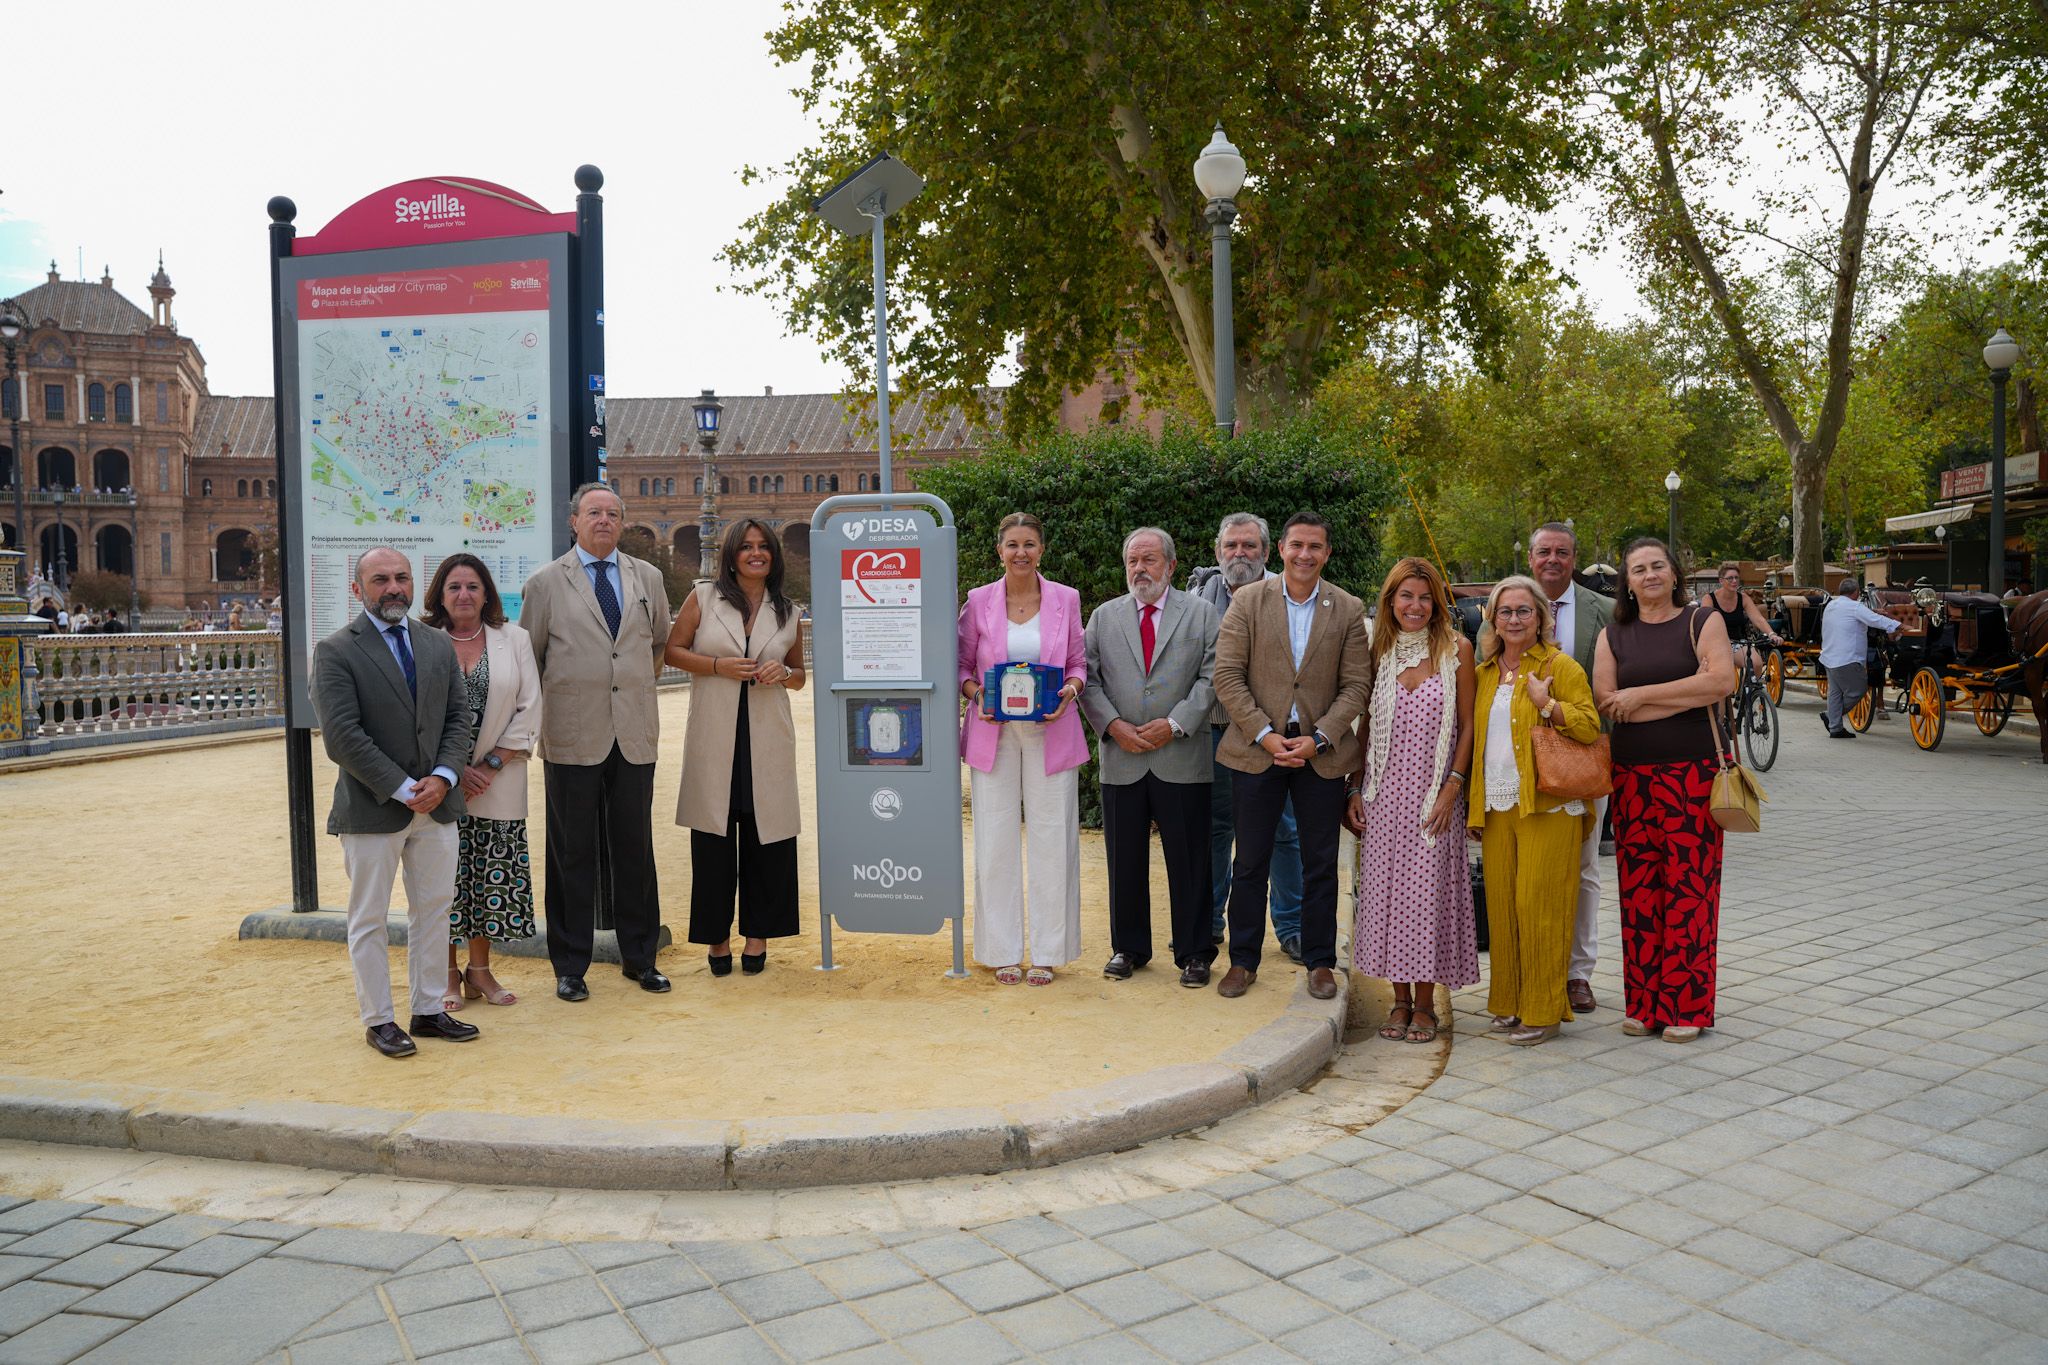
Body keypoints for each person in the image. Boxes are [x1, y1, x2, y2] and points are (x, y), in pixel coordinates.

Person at [310, 547, 479, 1058]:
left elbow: (458, 717)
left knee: (434, 910)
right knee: (370, 917)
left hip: (438, 805)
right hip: (373, 808)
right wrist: (406, 788)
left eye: (401, 577)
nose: (393, 588)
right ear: (357, 590)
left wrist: (444, 778)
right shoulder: (336, 651)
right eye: (380, 579)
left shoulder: (435, 643)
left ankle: (428, 1010)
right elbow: (342, 737)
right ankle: (379, 1020)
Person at [519, 482, 674, 1002]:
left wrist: (627, 688)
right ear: (574, 522)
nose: (603, 520)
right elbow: (532, 657)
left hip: (633, 733)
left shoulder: (647, 577)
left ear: (622, 522)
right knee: (572, 852)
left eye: (612, 513)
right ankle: (570, 965)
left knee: (635, 849)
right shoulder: (545, 583)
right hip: (572, 734)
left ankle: (640, 958)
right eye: (593, 513)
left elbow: (657, 642)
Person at [1212, 512, 1371, 1001]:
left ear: (1327, 553)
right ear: (1280, 549)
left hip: (1319, 755)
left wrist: (1319, 738)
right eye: (1297, 545)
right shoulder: (1248, 600)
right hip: (1257, 750)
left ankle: (1320, 963)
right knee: (1250, 862)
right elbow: (1227, 675)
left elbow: (1356, 685)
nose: (1305, 554)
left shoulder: (1347, 608)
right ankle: (1243, 961)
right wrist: (1264, 734)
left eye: (1315, 546)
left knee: (1319, 863)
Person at [1594, 537, 1736, 1043]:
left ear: (1674, 574)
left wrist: (1642, 697)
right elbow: (1607, 702)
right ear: (1627, 583)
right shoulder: (1613, 634)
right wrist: (1684, 694)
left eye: (1658, 566)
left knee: (1690, 890)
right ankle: (1644, 1004)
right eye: (1638, 569)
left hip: (1694, 774)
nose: (1649, 575)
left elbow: (1721, 683)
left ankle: (1687, 1006)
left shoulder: (1703, 621)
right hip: (1630, 777)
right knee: (1639, 892)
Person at [1466, 576, 1603, 1046]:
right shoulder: (1484, 672)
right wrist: (1475, 810)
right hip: (1498, 803)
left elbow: (1590, 727)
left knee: (1539, 906)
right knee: (1504, 907)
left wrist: (1548, 705)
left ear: (1541, 617)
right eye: (1505, 611)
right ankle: (1509, 1000)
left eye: (1524, 611)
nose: (1514, 619)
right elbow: (1478, 745)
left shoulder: (1560, 666)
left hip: (1549, 804)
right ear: (1492, 619)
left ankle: (1543, 1010)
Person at [1344, 558, 1476, 1045]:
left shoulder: (1457, 650)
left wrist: (1452, 786)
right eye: (1406, 596)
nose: (1415, 606)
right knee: (1388, 899)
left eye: (1424, 597)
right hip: (1383, 796)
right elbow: (1365, 725)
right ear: (1391, 601)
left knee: (1428, 899)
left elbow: (1468, 725)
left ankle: (1425, 1004)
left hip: (1435, 797)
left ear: (1437, 603)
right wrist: (1354, 788)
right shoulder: (1378, 651)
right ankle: (1398, 1001)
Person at [665, 520, 806, 976]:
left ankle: (759, 934)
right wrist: (716, 666)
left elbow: (799, 674)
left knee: (768, 839)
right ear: (731, 554)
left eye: (763, 546)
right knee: (713, 840)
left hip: (767, 738)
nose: (755, 553)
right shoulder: (703, 597)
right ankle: (717, 938)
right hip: (714, 736)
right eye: (746, 546)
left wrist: (783, 674)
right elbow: (672, 651)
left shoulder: (788, 610)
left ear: (773, 555)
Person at [1081, 527, 1221, 986]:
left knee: (1190, 860)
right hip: (1122, 755)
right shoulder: (1103, 617)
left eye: (1149, 560)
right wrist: (1112, 725)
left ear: (1171, 566)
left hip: (1180, 753)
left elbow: (1212, 677)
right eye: (1132, 561)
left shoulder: (1201, 614)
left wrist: (1175, 723)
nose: (1139, 569)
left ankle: (1195, 953)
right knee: (1123, 860)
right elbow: (1088, 679)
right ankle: (1128, 947)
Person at [958, 512, 1087, 985]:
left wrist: (1069, 692)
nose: (1021, 553)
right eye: (1012, 544)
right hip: (993, 732)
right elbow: (961, 666)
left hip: (1051, 730)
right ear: (1000, 551)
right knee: (994, 840)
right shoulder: (978, 601)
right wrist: (979, 697)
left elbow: (1077, 663)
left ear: (1041, 549)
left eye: (1029, 544)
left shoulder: (1066, 599)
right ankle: (1001, 950)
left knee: (1053, 840)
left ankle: (1049, 951)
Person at [420, 553, 541, 1010]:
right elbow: (412, 712)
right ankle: (447, 974)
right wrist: (452, 770)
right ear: (440, 595)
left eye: (472, 586)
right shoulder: (422, 640)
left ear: (487, 592)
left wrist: (489, 764)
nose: (464, 595)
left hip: (497, 780)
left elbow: (531, 706)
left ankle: (480, 971)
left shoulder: (515, 639)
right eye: (454, 587)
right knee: (442, 879)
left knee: (490, 879)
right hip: (438, 782)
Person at [1190, 514, 1307, 963]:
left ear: (1266, 551)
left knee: (1283, 830)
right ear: (1218, 551)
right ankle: (1209, 924)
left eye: (1249, 545)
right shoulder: (1198, 597)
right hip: (1215, 733)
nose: (1239, 553)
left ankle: (1291, 927)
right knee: (1214, 829)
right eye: (1231, 546)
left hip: (1271, 737)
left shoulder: (1287, 593)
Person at [1527, 522, 1614, 1013]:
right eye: (1544, 551)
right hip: (1519, 761)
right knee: (1527, 868)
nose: (1552, 560)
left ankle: (1578, 973)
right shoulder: (1506, 606)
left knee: (1584, 867)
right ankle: (1534, 966)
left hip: (1583, 758)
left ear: (1574, 558)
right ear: (1531, 558)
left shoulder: (1604, 611)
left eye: (1562, 552)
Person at [1819, 578, 1901, 738]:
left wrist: (1873, 611)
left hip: (1828, 657)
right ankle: (1831, 716)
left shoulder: (1831, 605)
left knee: (1835, 693)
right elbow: (1877, 621)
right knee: (1858, 690)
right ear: (1856, 592)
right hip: (1847, 659)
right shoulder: (1856, 607)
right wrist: (1900, 626)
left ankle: (1835, 728)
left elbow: (1853, 613)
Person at [1706, 563, 1782, 676]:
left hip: (1737, 643)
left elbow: (1758, 619)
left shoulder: (1743, 598)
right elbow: (1704, 624)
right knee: (1720, 672)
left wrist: (1771, 634)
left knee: (1756, 663)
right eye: (1730, 578)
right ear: (1721, 581)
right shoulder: (1709, 599)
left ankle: (1750, 686)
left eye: (1736, 578)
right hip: (1716, 644)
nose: (1734, 581)